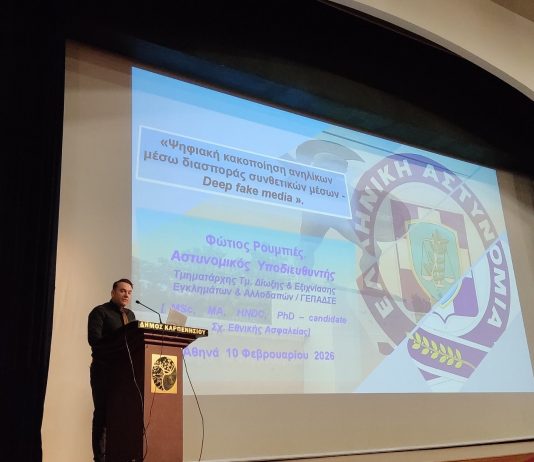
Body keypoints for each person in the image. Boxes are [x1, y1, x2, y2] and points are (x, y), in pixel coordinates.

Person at [87, 278, 136, 462]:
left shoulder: (130, 315)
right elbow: (94, 341)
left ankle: (120, 455)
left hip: (125, 374)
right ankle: (100, 458)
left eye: (129, 292)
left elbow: (134, 342)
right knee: (102, 414)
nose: (126, 295)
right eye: (122, 291)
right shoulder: (100, 312)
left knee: (123, 415)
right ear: (113, 292)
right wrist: (118, 344)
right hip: (104, 371)